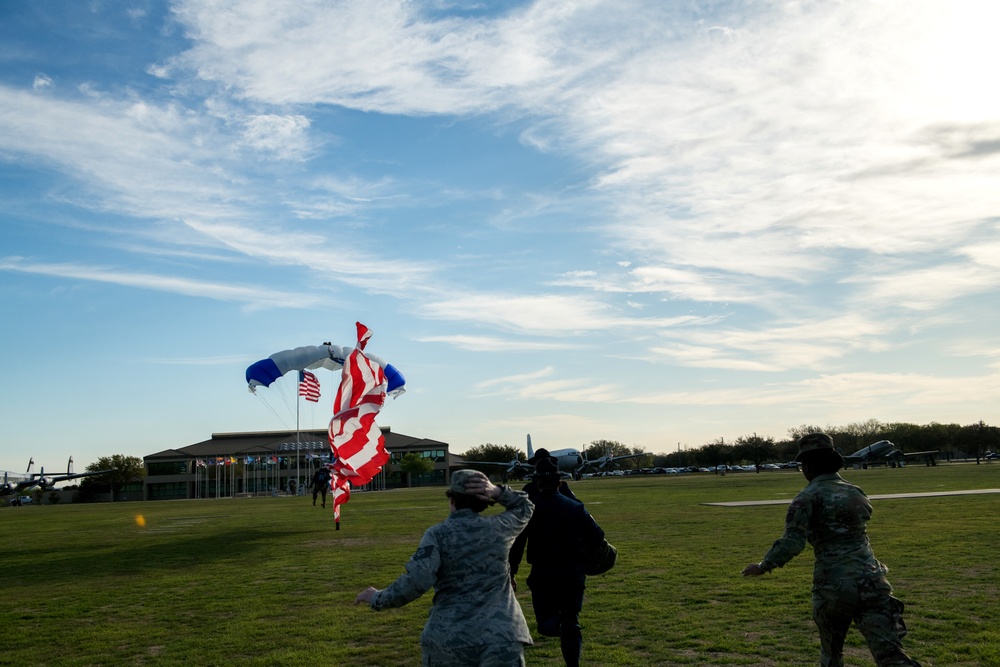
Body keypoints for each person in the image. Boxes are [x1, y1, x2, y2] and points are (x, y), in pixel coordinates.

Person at [741, 432, 922, 667]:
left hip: (834, 586)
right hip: (872, 582)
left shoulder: (807, 498)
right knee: (892, 655)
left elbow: (792, 542)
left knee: (832, 654)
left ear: (806, 467)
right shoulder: (855, 492)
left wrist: (764, 566)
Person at [355, 470, 534, 666]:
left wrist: (377, 597)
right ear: (484, 500)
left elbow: (417, 580)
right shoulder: (500, 527)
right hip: (502, 635)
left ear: (452, 500)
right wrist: (499, 492)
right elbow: (525, 506)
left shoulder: (438, 534)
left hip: (449, 637)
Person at [509, 457, 606, 667]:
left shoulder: (529, 510)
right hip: (573, 571)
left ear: (538, 483)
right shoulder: (575, 507)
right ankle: (572, 658)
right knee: (571, 618)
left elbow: (517, 545)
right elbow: (597, 537)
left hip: (543, 572)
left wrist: (511, 572)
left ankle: (561, 627)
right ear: (559, 482)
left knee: (545, 623)